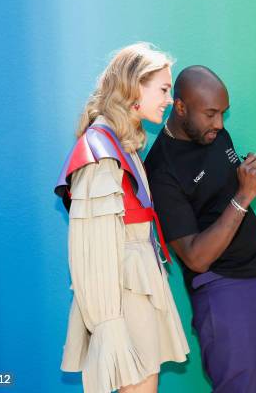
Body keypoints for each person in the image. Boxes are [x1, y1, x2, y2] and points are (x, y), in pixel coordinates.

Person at [144, 65, 256, 393]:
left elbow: (221, 188)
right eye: (210, 114)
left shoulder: (215, 134)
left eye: (223, 113)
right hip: (222, 289)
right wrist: (244, 195)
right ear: (180, 107)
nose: (220, 124)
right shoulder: (160, 170)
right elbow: (196, 257)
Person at [55, 43, 189, 393]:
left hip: (136, 281)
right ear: (133, 88)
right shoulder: (100, 152)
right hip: (124, 292)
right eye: (162, 89)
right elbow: (92, 252)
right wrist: (108, 325)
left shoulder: (119, 144)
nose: (168, 99)